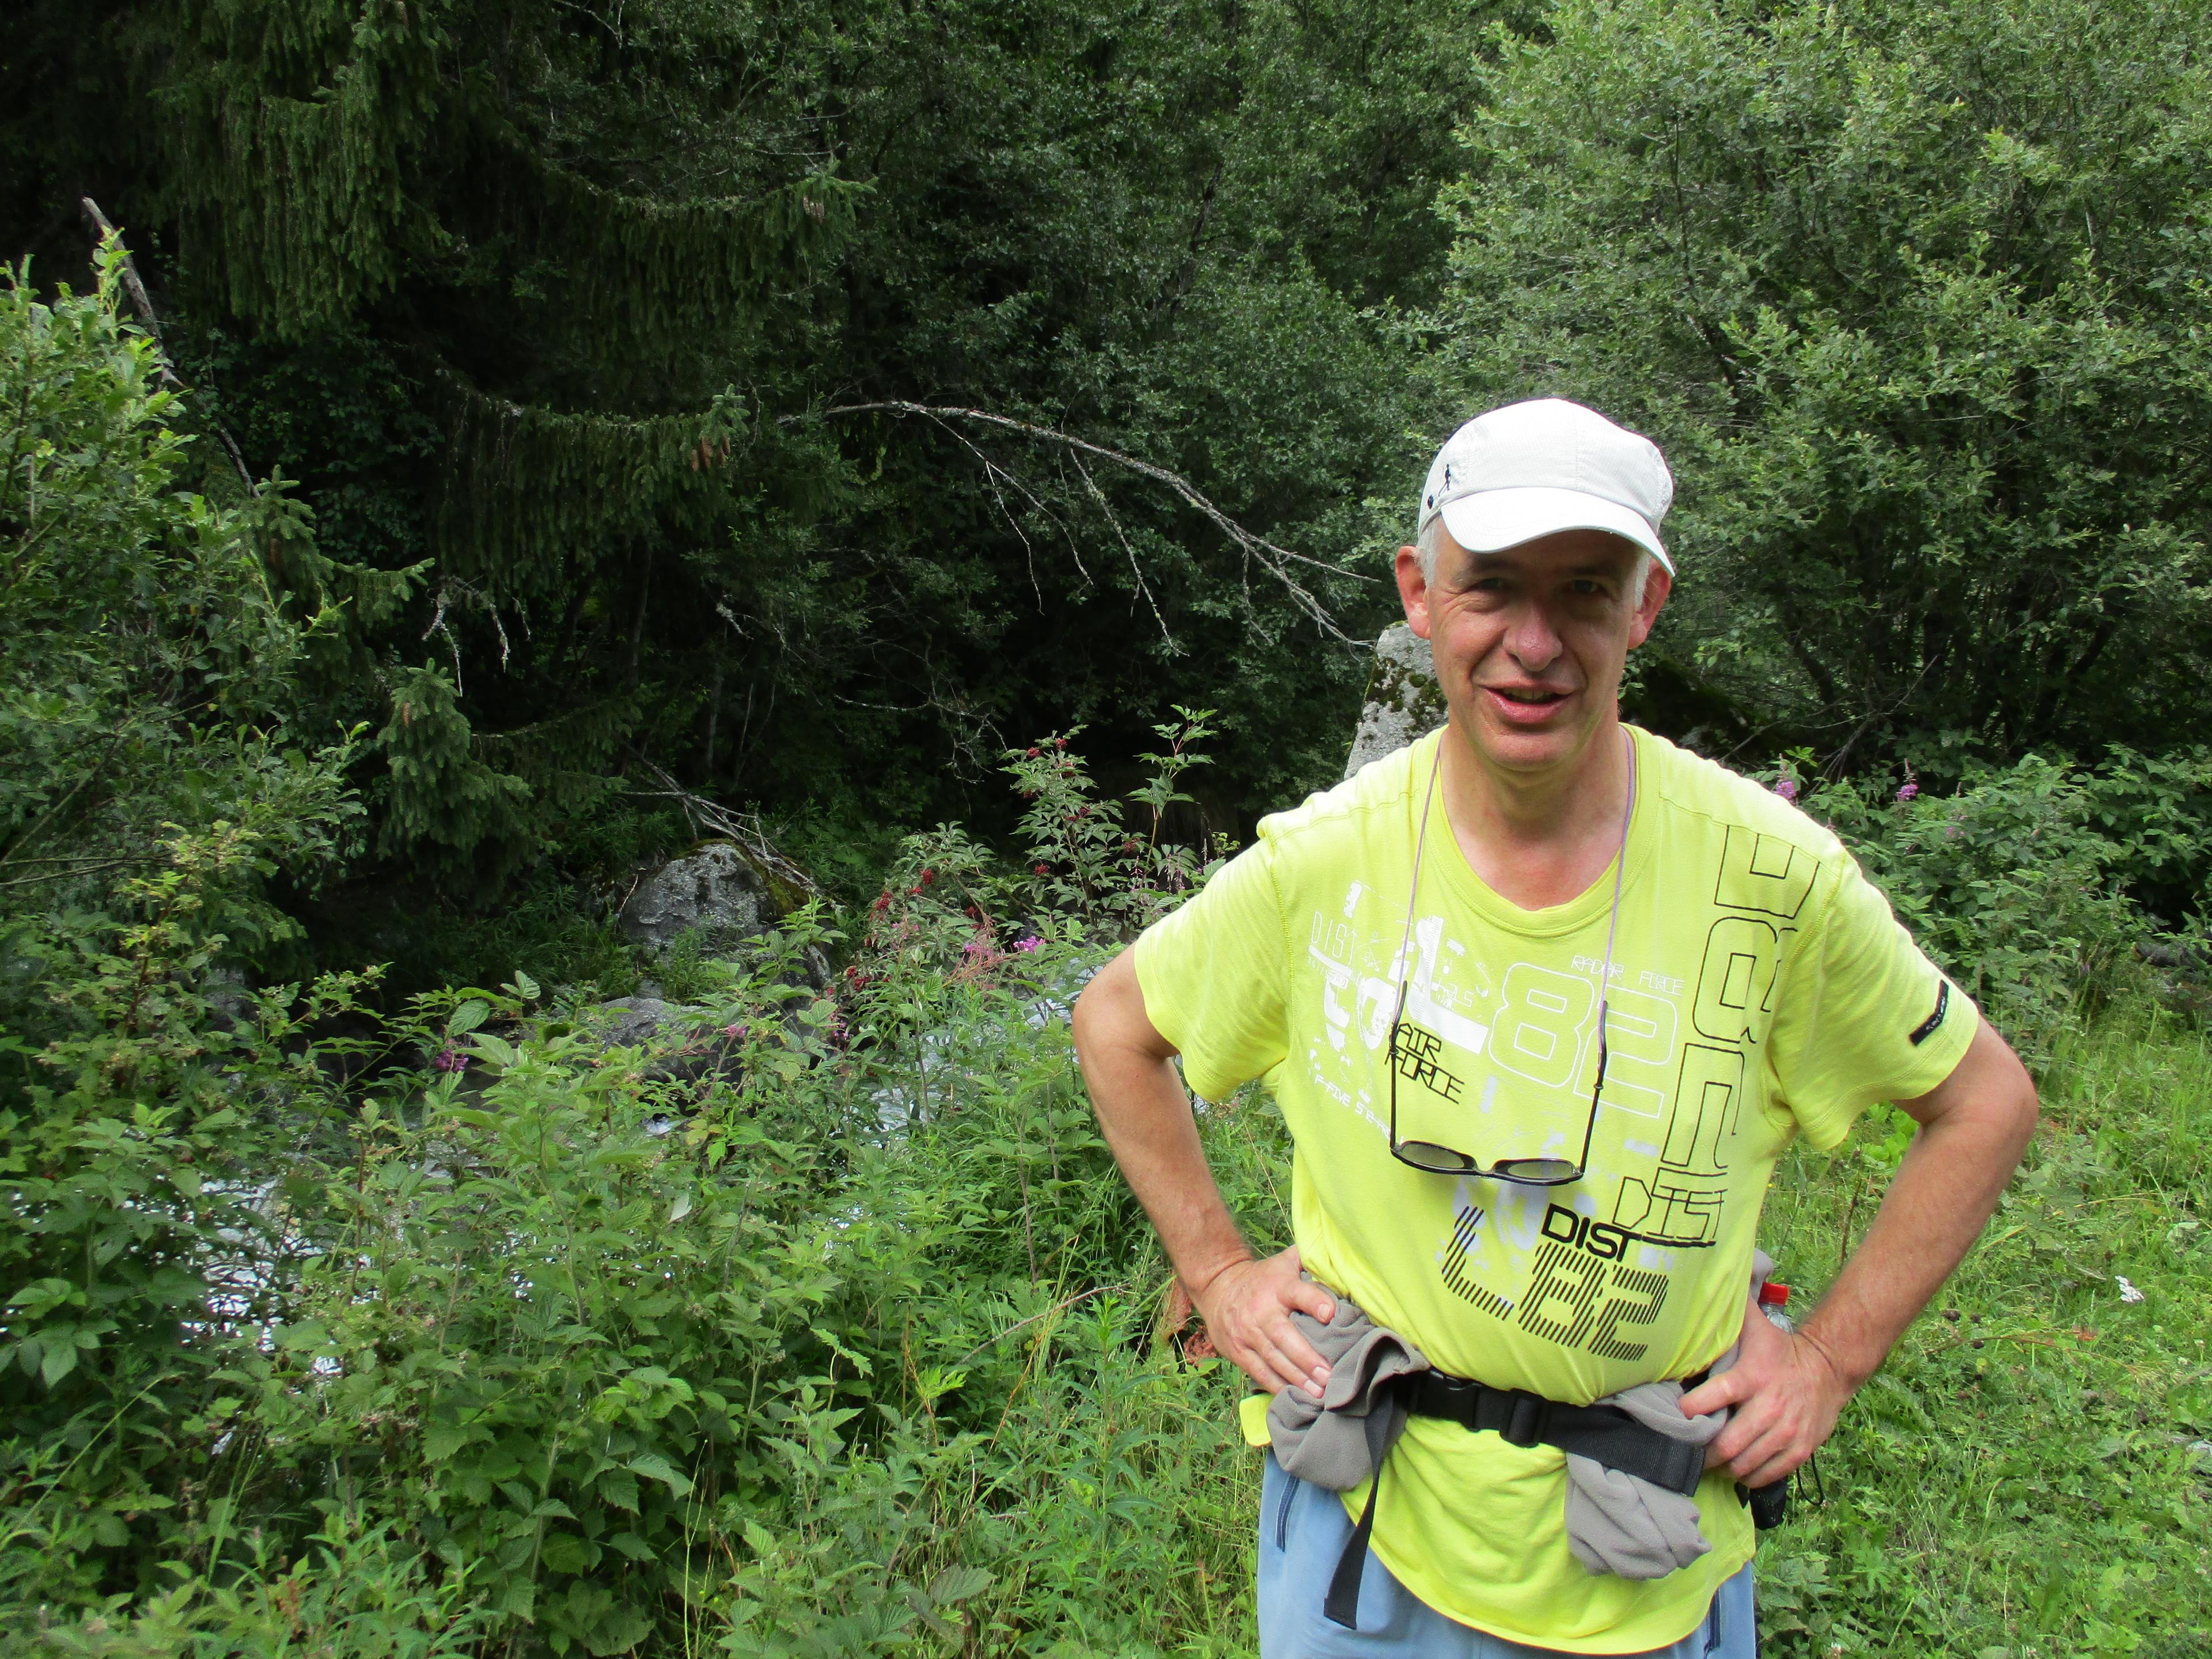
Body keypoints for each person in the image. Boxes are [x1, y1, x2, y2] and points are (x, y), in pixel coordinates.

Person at [1070, 397, 2040, 1658]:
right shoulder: (1326, 865)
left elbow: (1984, 1102)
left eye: (1584, 591)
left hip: (1641, 1549)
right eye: (1491, 590)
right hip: (1365, 1530)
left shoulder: (1772, 879)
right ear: (1421, 594)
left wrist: (1829, 1366)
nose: (1534, 645)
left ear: (1645, 606)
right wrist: (1215, 1272)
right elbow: (1115, 1022)